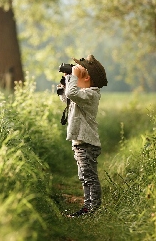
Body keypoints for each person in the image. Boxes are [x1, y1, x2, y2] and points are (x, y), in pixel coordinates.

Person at [57, 54, 108, 217]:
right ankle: (87, 207)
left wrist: (74, 77)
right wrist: (64, 84)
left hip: (87, 143)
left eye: (80, 72)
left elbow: (72, 94)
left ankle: (94, 208)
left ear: (88, 78)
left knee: (89, 177)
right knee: (84, 176)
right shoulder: (82, 94)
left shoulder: (92, 94)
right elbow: (67, 98)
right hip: (80, 142)